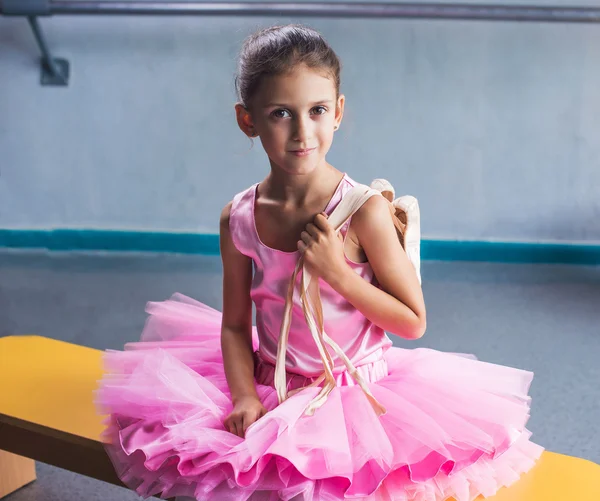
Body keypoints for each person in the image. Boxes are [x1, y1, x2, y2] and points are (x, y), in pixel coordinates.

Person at [96, 24, 543, 501]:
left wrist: (336, 272)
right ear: (247, 120)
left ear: (338, 112)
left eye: (317, 111)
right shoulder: (239, 218)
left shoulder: (362, 211)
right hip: (274, 386)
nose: (302, 132)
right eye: (280, 114)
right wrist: (245, 395)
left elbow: (413, 321)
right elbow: (234, 326)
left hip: (358, 396)